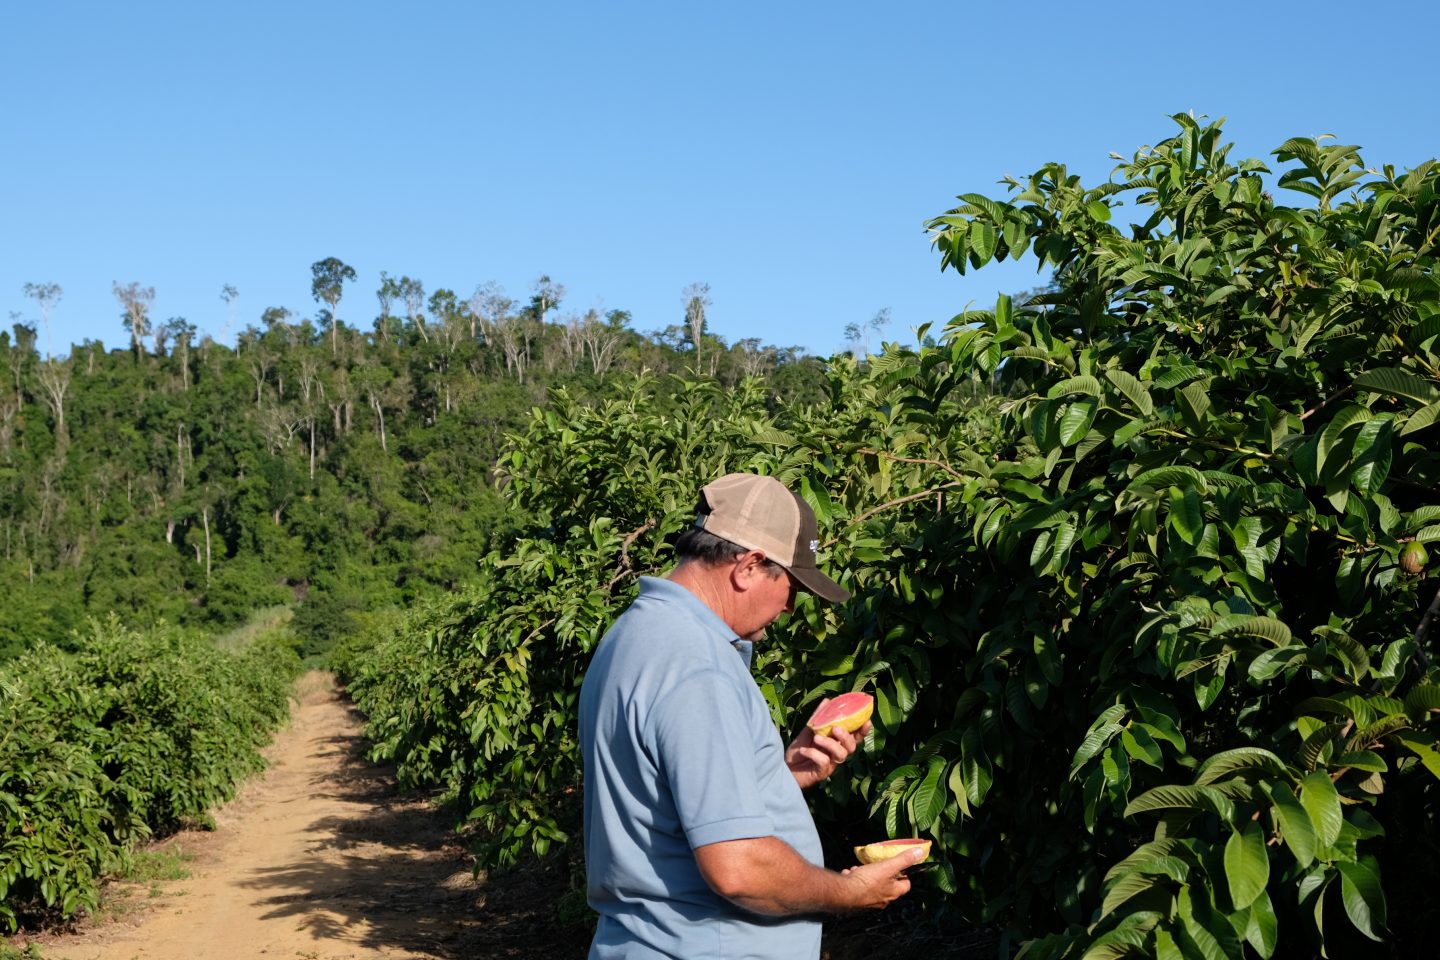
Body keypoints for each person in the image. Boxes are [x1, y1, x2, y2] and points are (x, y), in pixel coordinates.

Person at [579, 472, 922, 959]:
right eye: (793, 588)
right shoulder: (698, 665)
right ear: (750, 565)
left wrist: (778, 777)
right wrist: (850, 893)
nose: (789, 608)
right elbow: (738, 870)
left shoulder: (634, 636)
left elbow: (669, 801)